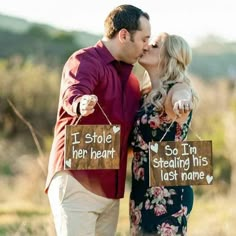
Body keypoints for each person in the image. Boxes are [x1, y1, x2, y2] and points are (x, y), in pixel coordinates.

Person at [45, 4, 151, 236]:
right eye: (144, 39)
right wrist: (81, 103)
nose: (147, 46)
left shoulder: (133, 83)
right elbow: (73, 92)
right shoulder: (86, 60)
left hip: (111, 192)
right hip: (77, 182)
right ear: (124, 35)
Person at [129, 32, 198, 235]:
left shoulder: (176, 88)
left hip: (169, 194)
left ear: (170, 58)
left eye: (156, 46)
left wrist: (181, 103)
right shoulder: (145, 95)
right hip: (141, 191)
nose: (147, 47)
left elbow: (182, 95)